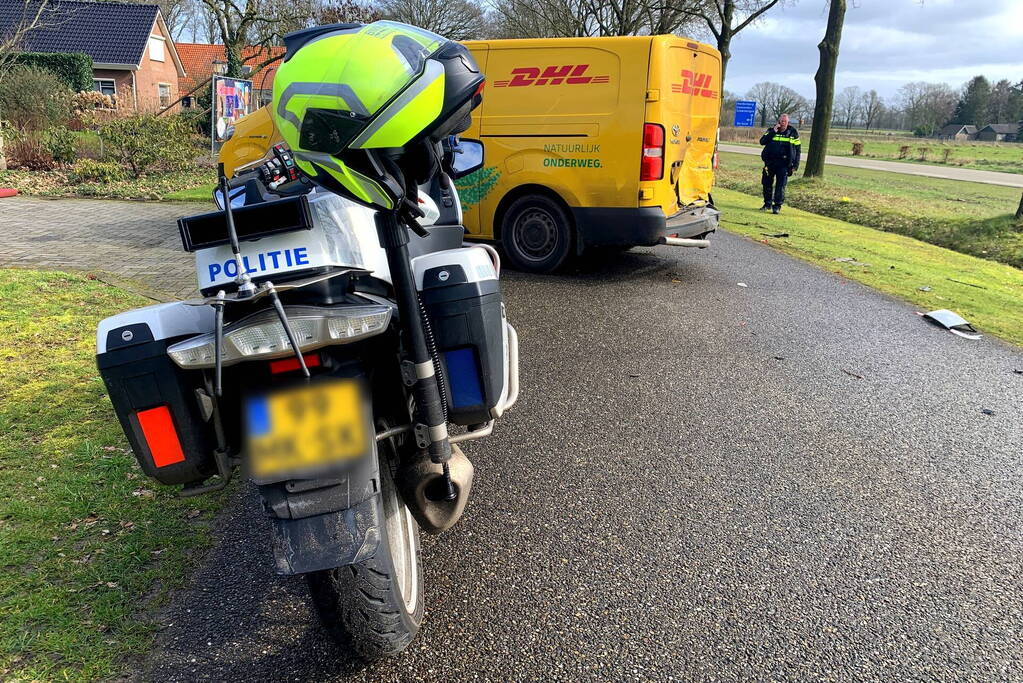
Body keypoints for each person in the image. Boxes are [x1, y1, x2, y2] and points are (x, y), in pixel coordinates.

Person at [759, 113, 800, 214]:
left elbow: (798, 150)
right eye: (781, 121)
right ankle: (767, 203)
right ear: (778, 121)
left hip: (784, 163)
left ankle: (777, 206)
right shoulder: (771, 130)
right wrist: (773, 131)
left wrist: (795, 165)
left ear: (788, 122)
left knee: (780, 185)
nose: (783, 123)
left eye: (785, 121)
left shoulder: (793, 133)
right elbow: (762, 141)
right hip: (770, 162)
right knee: (766, 183)